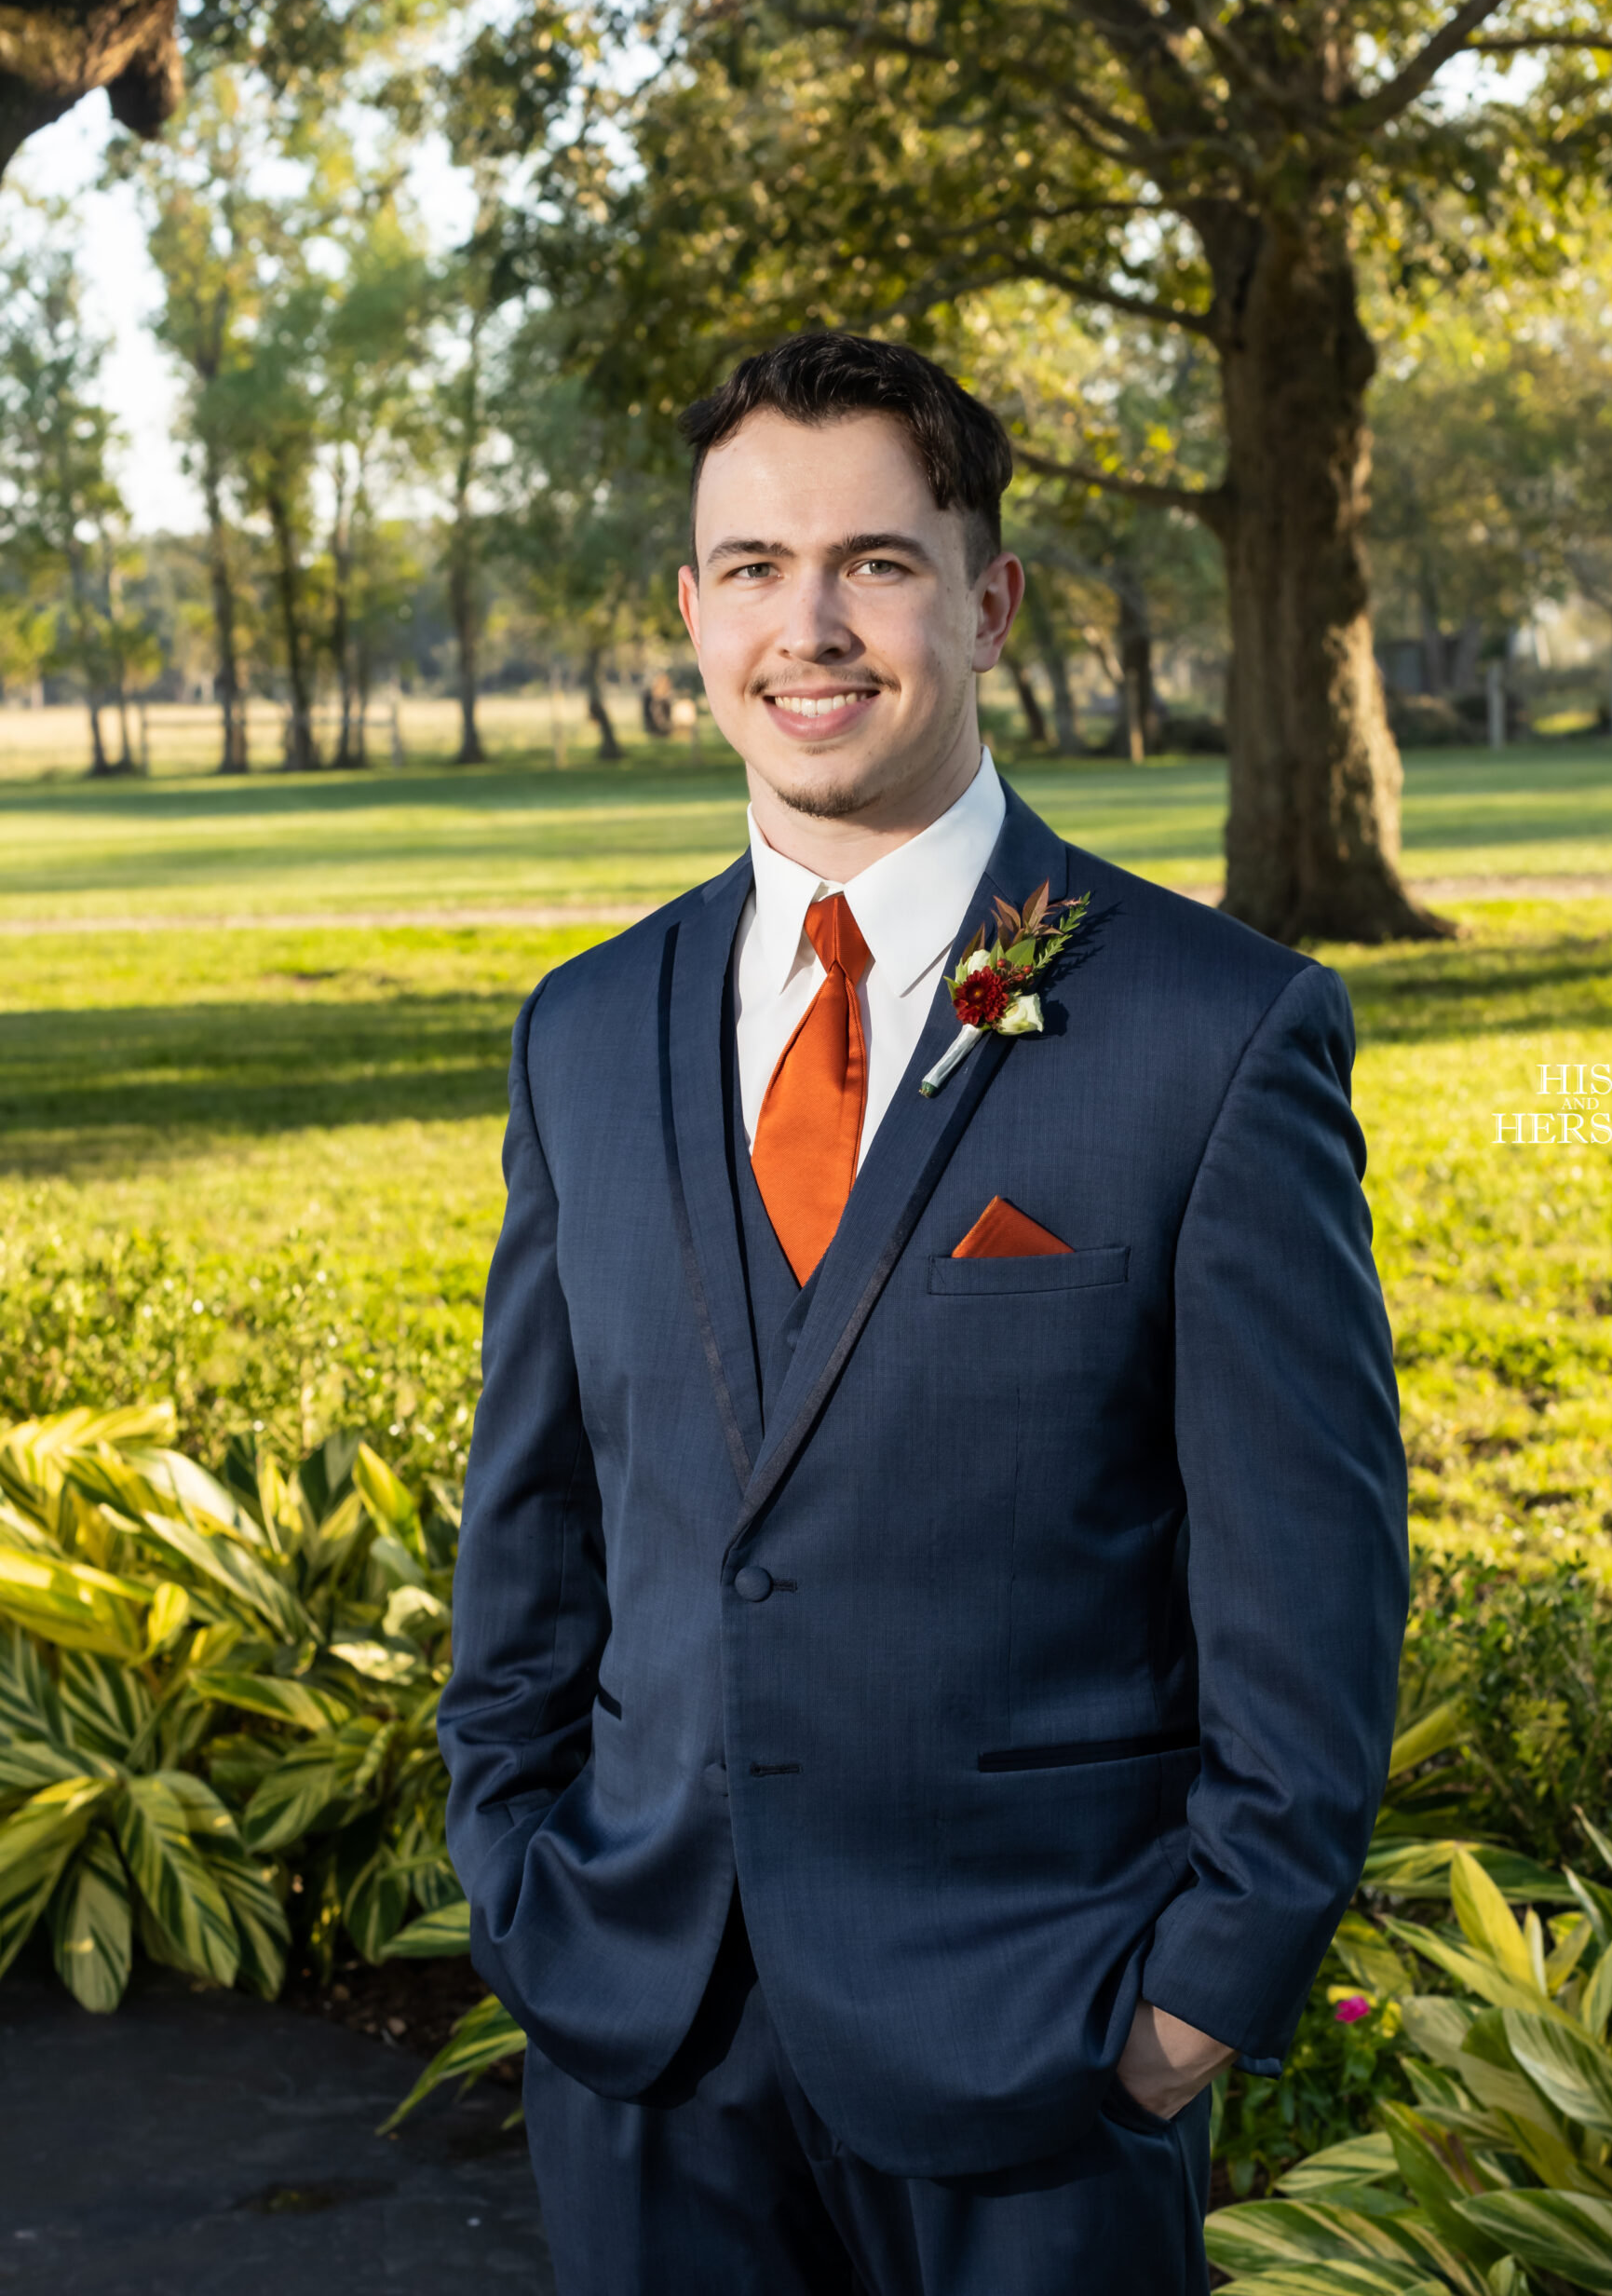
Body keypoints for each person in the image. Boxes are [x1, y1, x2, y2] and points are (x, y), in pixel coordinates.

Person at [440, 331, 1409, 2294]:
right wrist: (517, 1874)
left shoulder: (1209, 1032)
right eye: (749, 566)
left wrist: (1190, 2003)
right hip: (640, 2038)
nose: (806, 623)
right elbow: (532, 1525)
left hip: (1038, 2050)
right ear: (689, 612)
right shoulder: (582, 1032)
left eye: (872, 562)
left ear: (983, 602)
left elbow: (1306, 1581)